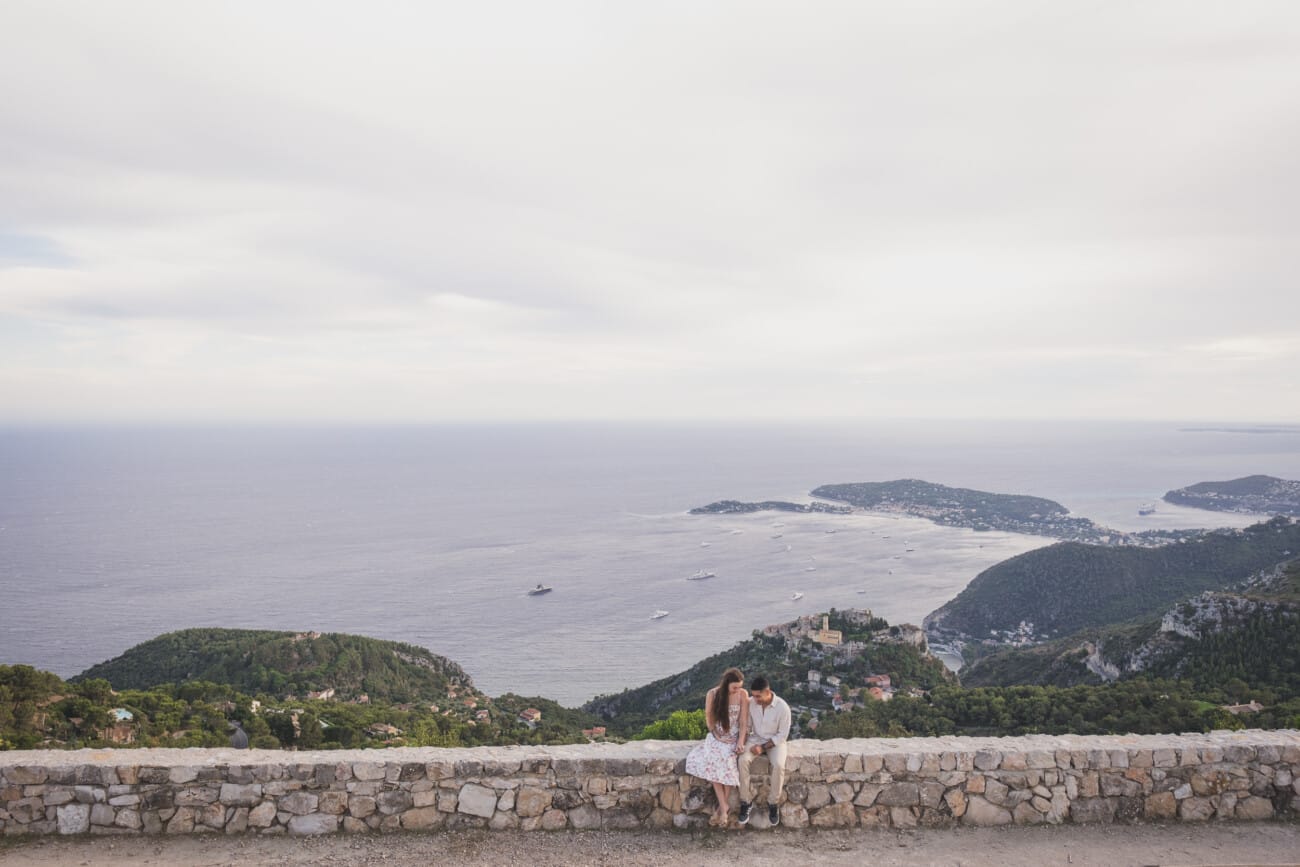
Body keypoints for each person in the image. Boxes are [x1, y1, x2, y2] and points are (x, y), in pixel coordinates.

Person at [684, 667, 749, 827]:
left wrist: (740, 741)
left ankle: (722, 807)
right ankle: (724, 806)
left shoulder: (742, 695)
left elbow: (743, 722)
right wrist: (717, 735)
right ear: (727, 684)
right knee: (713, 760)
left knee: (728, 761)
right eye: (735, 687)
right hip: (717, 735)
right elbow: (709, 719)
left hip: (734, 737)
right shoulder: (712, 694)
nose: (737, 690)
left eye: (739, 687)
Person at [736, 674, 791, 827]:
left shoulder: (783, 708)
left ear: (768, 692)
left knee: (779, 765)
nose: (755, 699)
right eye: (753, 695)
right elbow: (747, 726)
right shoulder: (752, 703)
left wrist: (762, 748)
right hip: (756, 739)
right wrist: (741, 743)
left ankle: (773, 803)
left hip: (775, 742)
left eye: (758, 696)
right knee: (742, 760)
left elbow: (782, 735)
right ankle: (745, 801)